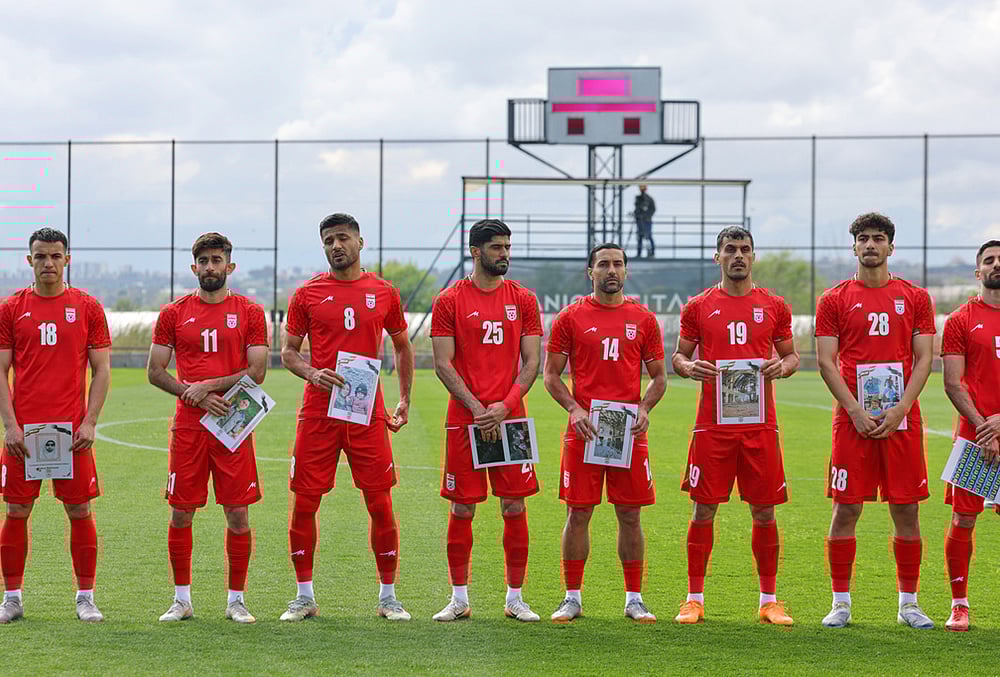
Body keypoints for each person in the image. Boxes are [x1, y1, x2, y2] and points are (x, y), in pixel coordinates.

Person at [280, 213, 414, 622]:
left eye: (342, 238)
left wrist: (404, 397)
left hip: (365, 410)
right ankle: (304, 597)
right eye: (328, 241)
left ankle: (388, 597)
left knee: (380, 502)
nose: (336, 246)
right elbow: (288, 352)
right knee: (305, 502)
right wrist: (311, 372)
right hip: (318, 411)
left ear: (360, 242)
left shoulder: (383, 291)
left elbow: (402, 347)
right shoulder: (307, 293)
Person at [672, 226, 799, 626]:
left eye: (745, 249)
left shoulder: (774, 305)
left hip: (761, 425)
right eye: (730, 249)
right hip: (712, 425)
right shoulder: (697, 305)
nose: (738, 256)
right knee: (704, 508)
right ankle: (693, 599)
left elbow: (791, 356)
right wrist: (691, 368)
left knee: (764, 511)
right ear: (718, 257)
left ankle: (769, 600)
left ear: (753, 257)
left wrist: (784, 366)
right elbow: (679, 357)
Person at [815, 212, 936, 629]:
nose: (870, 245)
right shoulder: (833, 298)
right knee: (845, 508)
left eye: (878, 238)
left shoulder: (916, 297)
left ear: (890, 246)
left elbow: (924, 358)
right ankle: (841, 603)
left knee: (906, 509)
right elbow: (826, 361)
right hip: (853, 419)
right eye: (863, 239)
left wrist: (902, 406)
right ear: (854, 247)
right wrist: (852, 409)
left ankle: (909, 604)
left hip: (902, 418)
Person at [147, 233, 269, 624]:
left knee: (238, 515)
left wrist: (209, 386)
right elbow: (154, 371)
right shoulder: (173, 313)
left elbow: (258, 372)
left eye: (218, 260)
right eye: (204, 261)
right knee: (182, 513)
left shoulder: (250, 312)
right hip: (189, 429)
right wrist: (190, 393)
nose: (211, 267)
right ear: (194, 267)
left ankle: (237, 600)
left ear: (229, 266)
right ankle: (181, 599)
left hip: (233, 426)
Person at [545, 243, 667, 623]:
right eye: (603, 264)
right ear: (590, 272)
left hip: (627, 432)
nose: (610, 270)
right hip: (585, 430)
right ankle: (572, 597)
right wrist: (574, 408)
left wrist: (645, 407)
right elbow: (550, 375)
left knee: (630, 515)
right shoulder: (570, 317)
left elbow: (660, 376)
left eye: (617, 264)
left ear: (626, 272)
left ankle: (634, 598)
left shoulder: (644, 319)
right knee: (578, 512)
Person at [430, 218, 543, 622]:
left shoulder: (525, 299)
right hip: (465, 420)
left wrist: (505, 405)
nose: (505, 254)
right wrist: (478, 409)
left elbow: (532, 361)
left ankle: (516, 597)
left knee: (514, 504)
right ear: (475, 251)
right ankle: (459, 598)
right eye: (496, 247)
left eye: (507, 247)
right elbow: (442, 363)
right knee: (463, 508)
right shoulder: (449, 300)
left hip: (510, 418)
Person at [0, 227, 111, 624]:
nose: (48, 263)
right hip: (23, 433)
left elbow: (101, 370)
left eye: (55, 256)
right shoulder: (11, 308)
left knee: (79, 509)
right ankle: (12, 597)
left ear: (67, 259)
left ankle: (86, 597)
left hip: (72, 431)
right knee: (16, 508)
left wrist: (90, 422)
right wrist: (10, 426)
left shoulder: (87, 307)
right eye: (40, 256)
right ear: (29, 260)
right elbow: (1, 371)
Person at [940, 239, 1000, 632]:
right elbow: (952, 383)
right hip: (976, 440)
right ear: (977, 272)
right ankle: (959, 605)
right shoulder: (961, 319)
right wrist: (986, 428)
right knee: (963, 519)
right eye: (990, 260)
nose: (997, 265)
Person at [633, 184, 656, 259]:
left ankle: (651, 253)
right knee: (640, 236)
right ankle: (639, 253)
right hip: (640, 220)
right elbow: (637, 209)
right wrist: (637, 215)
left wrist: (646, 216)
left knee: (648, 236)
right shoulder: (638, 198)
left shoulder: (649, 199)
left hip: (647, 221)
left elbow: (652, 209)